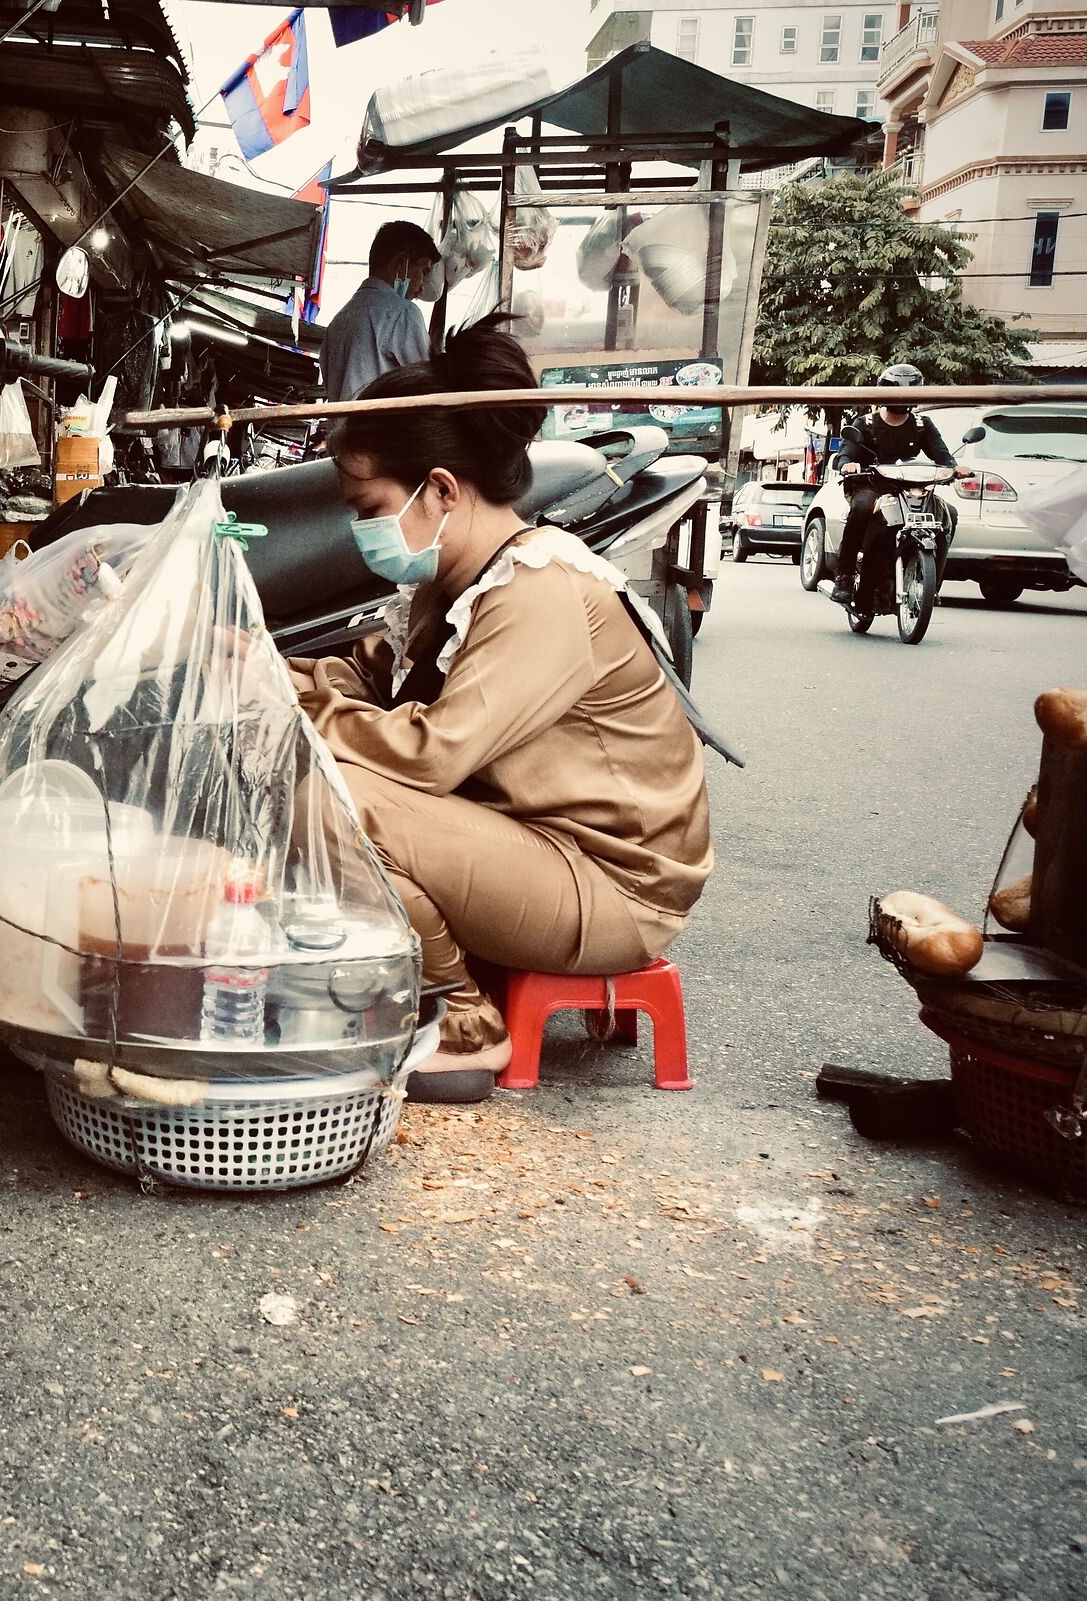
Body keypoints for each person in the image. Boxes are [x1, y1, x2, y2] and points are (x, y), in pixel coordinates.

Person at [288, 321, 715, 1102]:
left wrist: (305, 714)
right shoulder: (449, 584)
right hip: (537, 847)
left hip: (613, 884)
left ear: (442, 490)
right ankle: (442, 982)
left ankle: (464, 1022)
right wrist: (263, 666)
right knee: (314, 769)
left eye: (369, 506)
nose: (360, 530)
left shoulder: (538, 591)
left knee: (328, 799)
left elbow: (431, 755)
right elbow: (369, 677)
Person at [831, 362, 954, 607]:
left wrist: (954, 467)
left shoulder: (922, 425)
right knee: (861, 508)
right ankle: (844, 577)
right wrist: (848, 464)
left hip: (908, 488)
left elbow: (942, 455)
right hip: (870, 485)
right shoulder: (864, 424)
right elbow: (845, 454)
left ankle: (932, 586)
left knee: (949, 514)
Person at [322, 221, 438, 402]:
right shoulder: (404, 313)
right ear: (403, 263)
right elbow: (428, 384)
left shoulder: (338, 321)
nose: (422, 285)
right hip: (383, 428)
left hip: (340, 429)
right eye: (424, 271)